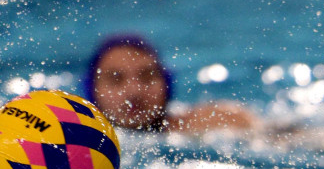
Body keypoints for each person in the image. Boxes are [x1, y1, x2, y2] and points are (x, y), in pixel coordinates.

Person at [82, 34, 256, 133]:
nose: (133, 92)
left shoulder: (215, 122)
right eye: (116, 80)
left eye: (147, 78)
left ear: (167, 83)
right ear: (93, 90)